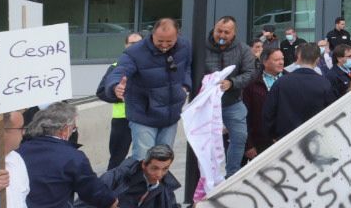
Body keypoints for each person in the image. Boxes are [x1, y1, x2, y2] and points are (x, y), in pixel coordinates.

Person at [112, 17, 192, 160]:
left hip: (170, 114)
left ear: (177, 36)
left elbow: (187, 67)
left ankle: (159, 183)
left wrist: (185, 86)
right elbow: (120, 70)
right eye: (160, 41)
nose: (164, 45)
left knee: (164, 158)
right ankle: (139, 182)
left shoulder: (184, 46)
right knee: (144, 158)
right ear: (153, 34)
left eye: (169, 41)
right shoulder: (135, 52)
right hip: (143, 114)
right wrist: (115, 85)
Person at [203, 16, 256, 174]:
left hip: (232, 101)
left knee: (240, 136)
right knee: (205, 141)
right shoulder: (202, 47)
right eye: (219, 31)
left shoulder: (243, 49)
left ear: (234, 33)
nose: (222, 35)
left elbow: (250, 73)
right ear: (214, 28)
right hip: (206, 103)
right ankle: (205, 175)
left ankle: (232, 173)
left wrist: (232, 83)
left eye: (227, 32)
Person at [263, 42, 337, 141]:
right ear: (318, 60)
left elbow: (268, 113)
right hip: (315, 138)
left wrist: (273, 136)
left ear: (299, 58)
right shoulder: (324, 83)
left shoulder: (281, 81)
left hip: (285, 139)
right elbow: (331, 112)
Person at [96, 32, 142, 170]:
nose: (136, 47)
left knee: (144, 158)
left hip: (144, 118)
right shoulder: (116, 66)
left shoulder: (150, 65)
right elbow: (101, 92)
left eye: (139, 43)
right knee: (117, 159)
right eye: (132, 44)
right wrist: (119, 95)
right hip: (122, 119)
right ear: (125, 45)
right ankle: (111, 188)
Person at [241, 48, 286, 161]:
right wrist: (248, 145)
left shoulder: (290, 79)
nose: (281, 62)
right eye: (276, 60)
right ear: (265, 62)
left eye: (282, 59)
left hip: (285, 140)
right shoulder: (252, 83)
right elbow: (245, 116)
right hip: (260, 142)